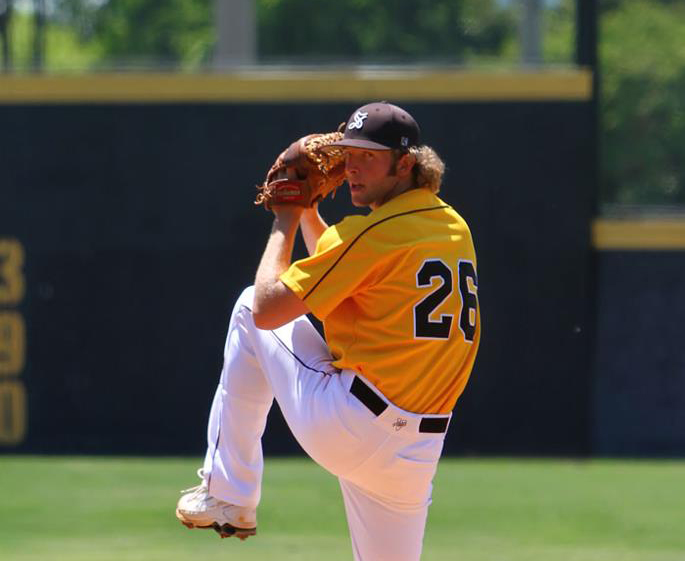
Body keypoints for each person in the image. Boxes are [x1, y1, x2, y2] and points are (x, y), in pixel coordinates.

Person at [175, 101, 481, 561]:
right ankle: (228, 494)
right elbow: (343, 270)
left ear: (406, 163)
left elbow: (268, 310)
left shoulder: (371, 232)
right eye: (349, 154)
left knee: (245, 306)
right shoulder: (451, 226)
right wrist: (311, 212)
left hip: (351, 424)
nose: (352, 168)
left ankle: (229, 495)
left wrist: (286, 217)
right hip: (416, 452)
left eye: (368, 157)